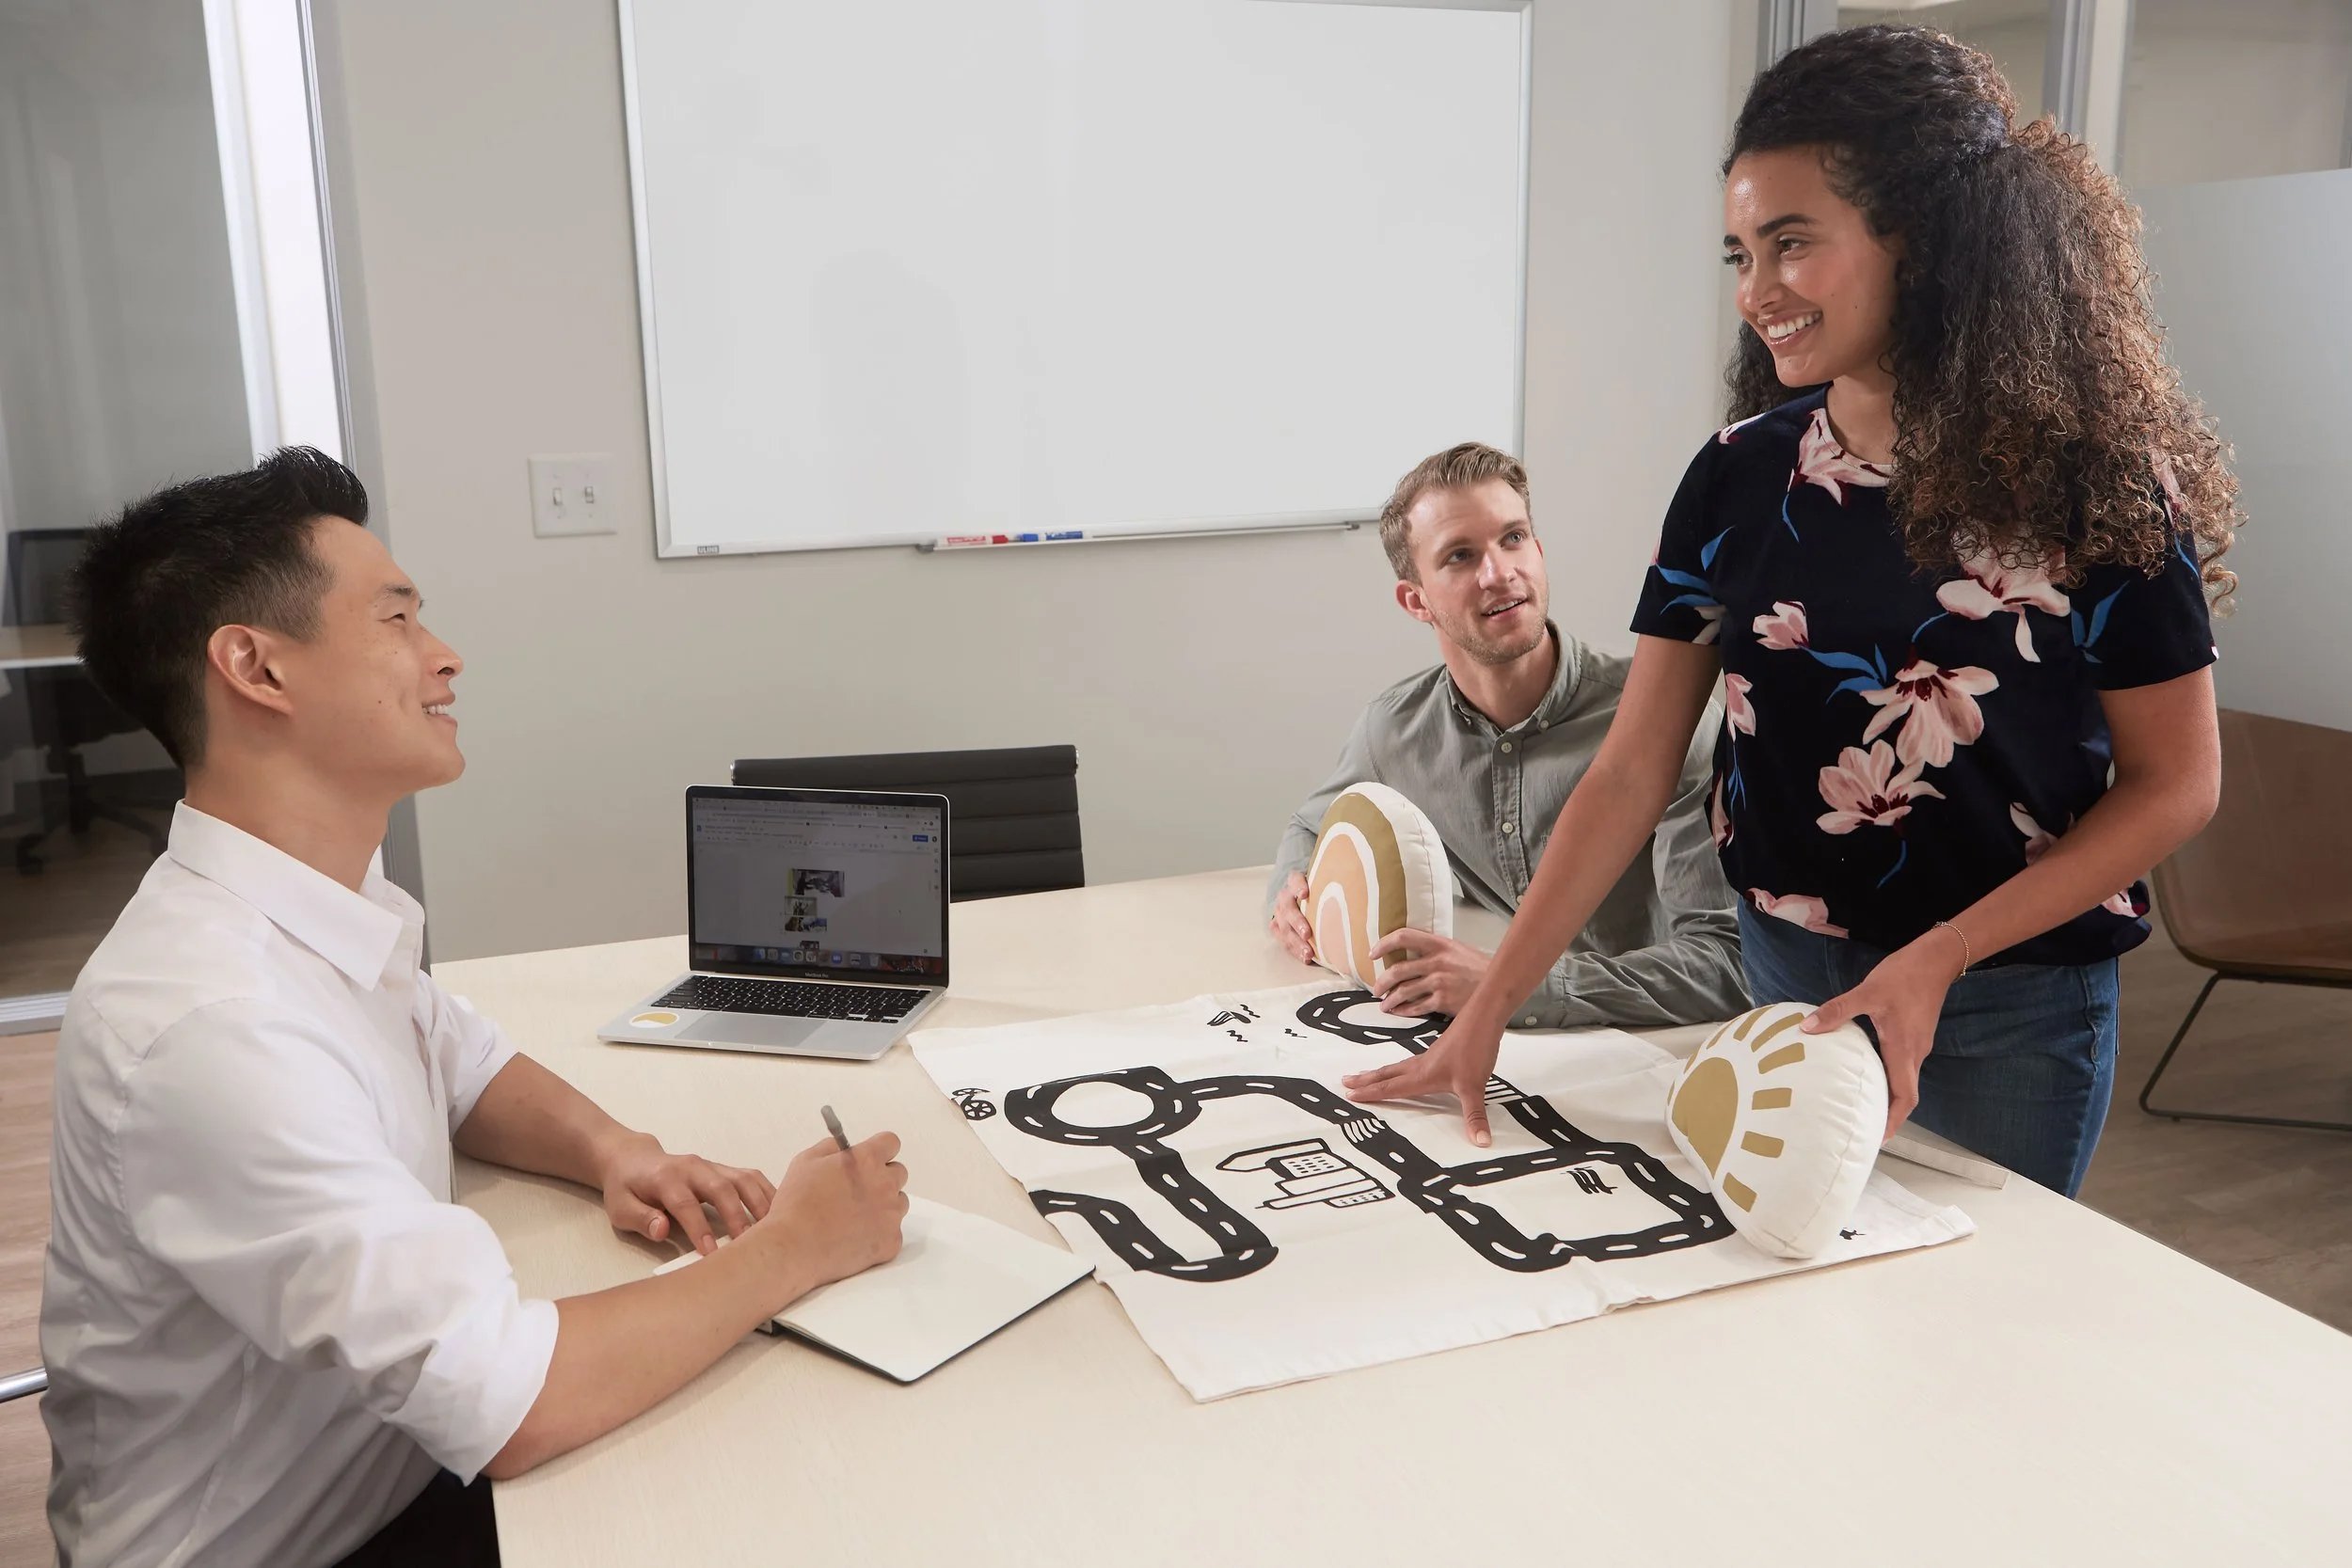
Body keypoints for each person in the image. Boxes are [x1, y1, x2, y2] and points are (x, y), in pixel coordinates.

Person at [1345, 25, 2233, 1196]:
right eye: (1739, 252)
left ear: (1921, 239)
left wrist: (1941, 955)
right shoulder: (1737, 472)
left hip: (2004, 996)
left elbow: (2177, 782)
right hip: (1787, 969)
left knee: (1986, 1338)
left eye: (1792, 243)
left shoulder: (2094, 486)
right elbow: (1628, 771)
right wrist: (1489, 1008)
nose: (1756, 291)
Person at [41, 450, 911, 1567]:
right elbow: (510, 1403)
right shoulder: (212, 1021)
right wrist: (792, 1248)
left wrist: (617, 1148)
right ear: (255, 667)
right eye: (397, 619)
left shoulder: (311, 895)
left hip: (381, 1462)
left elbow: (458, 1059)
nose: (445, 657)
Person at [1266, 441, 1748, 1028]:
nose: (1500, 573)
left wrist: (1505, 987)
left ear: (1539, 551)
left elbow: (1728, 965)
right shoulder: (1395, 731)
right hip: (1539, 1055)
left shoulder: (1662, 715)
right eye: (1461, 556)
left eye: (1513, 538)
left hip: (1676, 1045)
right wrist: (1289, 898)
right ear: (1416, 600)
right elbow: (1310, 826)